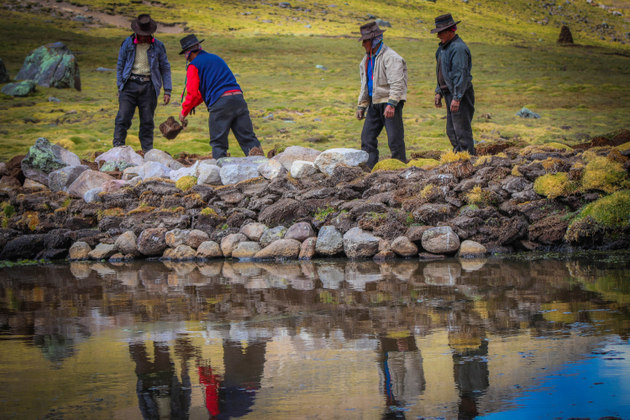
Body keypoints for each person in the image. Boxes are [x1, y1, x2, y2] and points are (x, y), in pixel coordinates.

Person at [178, 34, 262, 159]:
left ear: (187, 54)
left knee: (218, 142)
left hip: (221, 103)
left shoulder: (194, 65)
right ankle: (263, 167)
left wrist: (184, 112)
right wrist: (191, 107)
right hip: (238, 99)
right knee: (248, 138)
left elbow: (193, 93)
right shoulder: (216, 58)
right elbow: (202, 94)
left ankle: (219, 172)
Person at [114, 14, 172, 152]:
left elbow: (165, 67)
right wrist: (120, 85)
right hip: (129, 85)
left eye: (147, 34)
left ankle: (147, 151)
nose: (144, 37)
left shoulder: (158, 46)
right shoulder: (127, 43)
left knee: (147, 121)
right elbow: (120, 64)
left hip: (149, 87)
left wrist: (167, 90)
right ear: (136, 32)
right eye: (141, 34)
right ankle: (117, 148)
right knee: (123, 118)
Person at [356, 21, 408, 169]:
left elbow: (397, 82)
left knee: (394, 139)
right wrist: (362, 105)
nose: (363, 44)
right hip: (374, 102)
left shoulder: (391, 57)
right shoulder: (366, 60)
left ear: (374, 40)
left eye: (365, 41)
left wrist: (392, 104)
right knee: (367, 138)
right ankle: (369, 168)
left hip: (389, 102)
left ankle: (399, 168)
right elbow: (365, 85)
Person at [432, 13, 476, 155]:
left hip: (460, 94)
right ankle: (459, 157)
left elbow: (461, 74)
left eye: (441, 32)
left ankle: (468, 160)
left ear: (450, 31)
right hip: (450, 93)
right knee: (452, 130)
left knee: (461, 130)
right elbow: (442, 72)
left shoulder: (458, 49)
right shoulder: (442, 49)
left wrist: (457, 97)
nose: (438, 36)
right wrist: (439, 91)